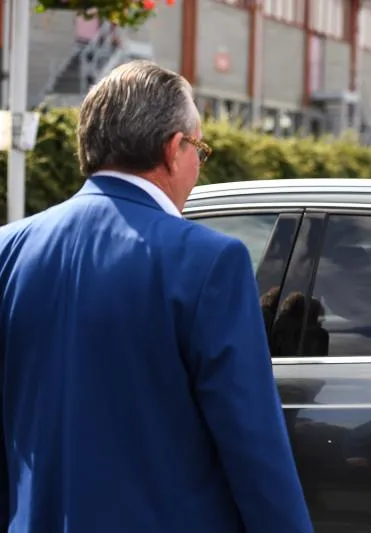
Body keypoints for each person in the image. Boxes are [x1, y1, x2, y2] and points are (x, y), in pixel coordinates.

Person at [0, 60, 313, 533]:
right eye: (200, 150)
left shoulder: (8, 249)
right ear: (173, 150)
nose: (197, 167)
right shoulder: (209, 261)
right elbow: (252, 444)